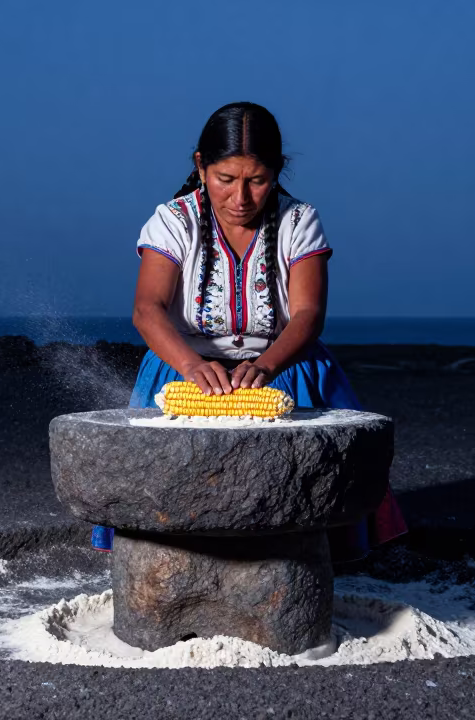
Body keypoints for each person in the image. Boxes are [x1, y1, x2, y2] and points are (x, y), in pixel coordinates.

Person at [91, 101, 407, 561]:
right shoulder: (172, 221)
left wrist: (265, 364)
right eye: (226, 180)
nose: (240, 198)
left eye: (257, 181)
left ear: (277, 172)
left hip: (286, 369)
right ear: (201, 166)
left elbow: (307, 316)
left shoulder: (300, 222)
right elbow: (147, 310)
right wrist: (192, 364)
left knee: (307, 492)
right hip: (183, 369)